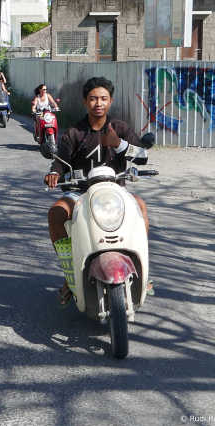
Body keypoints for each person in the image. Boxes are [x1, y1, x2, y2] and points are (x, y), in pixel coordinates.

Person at [44, 77, 149, 308]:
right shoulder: (74, 132)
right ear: (85, 101)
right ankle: (71, 272)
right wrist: (54, 173)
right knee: (56, 213)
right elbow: (61, 161)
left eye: (103, 98)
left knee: (140, 205)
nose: (98, 103)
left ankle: (142, 267)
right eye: (93, 98)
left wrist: (118, 143)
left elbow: (142, 156)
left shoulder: (120, 128)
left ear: (110, 101)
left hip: (116, 192)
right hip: (80, 194)